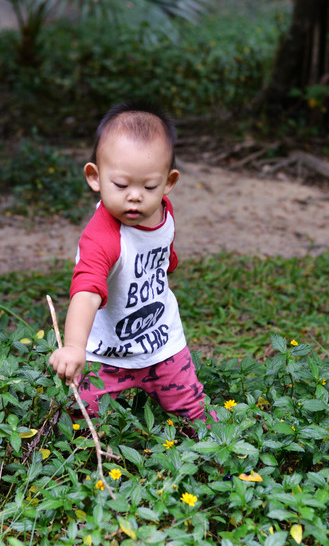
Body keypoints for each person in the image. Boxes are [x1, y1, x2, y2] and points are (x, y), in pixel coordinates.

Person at [49, 100, 209, 423]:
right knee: (80, 418)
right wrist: (74, 347)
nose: (135, 196)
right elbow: (86, 291)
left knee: (194, 411)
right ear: (95, 177)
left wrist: (167, 263)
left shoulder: (163, 211)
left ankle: (220, 452)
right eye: (121, 185)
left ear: (168, 183)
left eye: (149, 186)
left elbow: (162, 251)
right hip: (105, 354)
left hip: (161, 341)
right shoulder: (103, 237)